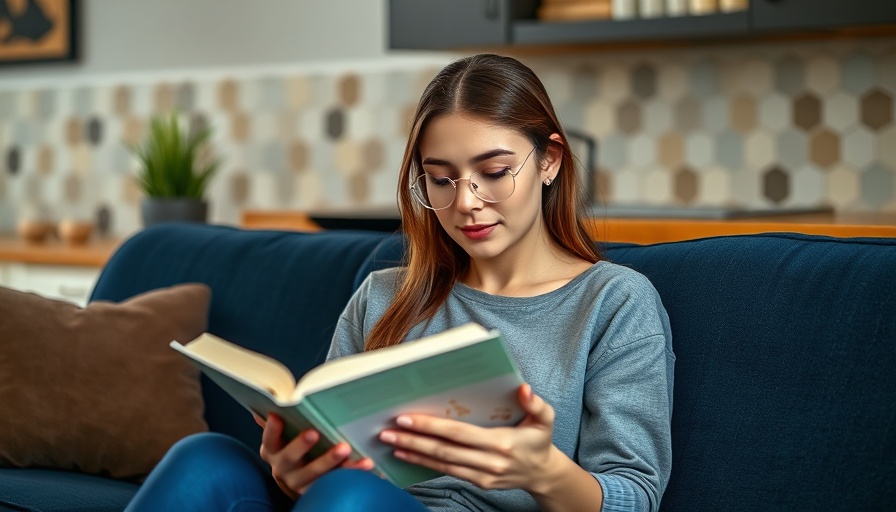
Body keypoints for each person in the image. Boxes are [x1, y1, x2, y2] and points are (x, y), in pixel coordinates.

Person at [125, 53, 674, 512]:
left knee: (349, 498)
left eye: (495, 172)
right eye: (441, 179)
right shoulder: (385, 295)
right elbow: (331, 462)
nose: (465, 202)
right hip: (355, 502)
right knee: (206, 457)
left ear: (549, 161)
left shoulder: (613, 302)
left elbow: (635, 494)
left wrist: (542, 470)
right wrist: (294, 474)